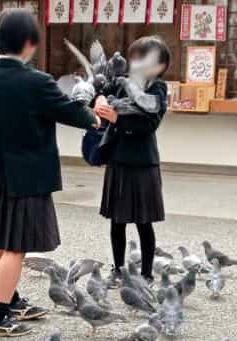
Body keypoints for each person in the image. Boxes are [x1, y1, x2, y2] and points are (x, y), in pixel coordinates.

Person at [0, 9, 101, 337]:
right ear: (30, 43)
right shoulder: (36, 81)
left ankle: (11, 299)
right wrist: (93, 115)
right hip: (27, 176)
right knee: (15, 247)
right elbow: (70, 112)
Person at [94, 36, 170, 287]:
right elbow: (103, 93)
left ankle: (147, 273)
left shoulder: (157, 89)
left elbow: (150, 125)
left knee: (143, 222)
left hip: (142, 162)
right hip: (118, 159)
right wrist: (100, 100)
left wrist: (117, 119)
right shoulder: (122, 82)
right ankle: (117, 269)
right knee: (118, 220)